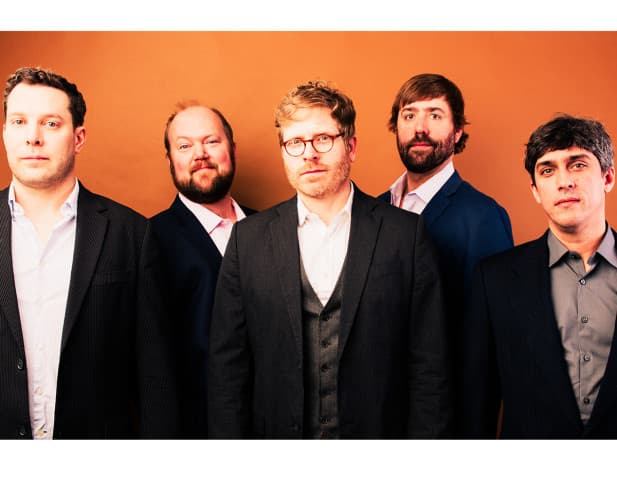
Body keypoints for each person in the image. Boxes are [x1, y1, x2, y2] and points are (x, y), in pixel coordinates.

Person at [207, 80, 452, 439]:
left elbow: (430, 367)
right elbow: (227, 369)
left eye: (323, 138)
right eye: (295, 142)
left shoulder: (405, 235)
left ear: (351, 147)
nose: (309, 154)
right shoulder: (248, 240)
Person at [0, 67, 177, 439]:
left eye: (50, 124)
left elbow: (155, 372)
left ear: (78, 138)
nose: (32, 137)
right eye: (19, 122)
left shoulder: (132, 233)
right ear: (5, 132)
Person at [463, 115, 617, 438]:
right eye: (548, 170)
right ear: (535, 190)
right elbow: (478, 405)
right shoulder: (494, 280)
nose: (564, 182)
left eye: (577, 165)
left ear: (607, 177)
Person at [379, 73, 513, 433]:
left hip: (444, 423)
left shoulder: (484, 218)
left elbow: (486, 347)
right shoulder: (372, 210)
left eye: (435, 115)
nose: (420, 127)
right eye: (409, 115)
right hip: (375, 416)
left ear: (457, 131)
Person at [151, 101, 255, 438]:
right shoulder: (150, 241)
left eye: (211, 141)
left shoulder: (272, 227)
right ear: (170, 159)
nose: (200, 154)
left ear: (232, 150)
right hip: (200, 430)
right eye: (184, 146)